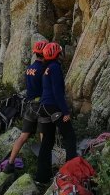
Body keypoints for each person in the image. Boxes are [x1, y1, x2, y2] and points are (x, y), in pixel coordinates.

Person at [2, 40, 48, 173]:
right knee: (43, 135)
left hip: (28, 105)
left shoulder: (29, 69)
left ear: (35, 54)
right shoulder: (44, 69)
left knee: (23, 136)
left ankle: (10, 163)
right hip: (40, 106)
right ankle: (44, 166)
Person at [35, 42, 78, 185]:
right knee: (70, 137)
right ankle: (70, 175)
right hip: (54, 107)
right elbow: (57, 92)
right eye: (60, 52)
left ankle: (42, 177)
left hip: (43, 107)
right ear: (57, 54)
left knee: (47, 143)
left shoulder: (46, 68)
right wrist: (65, 111)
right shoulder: (55, 68)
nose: (61, 53)